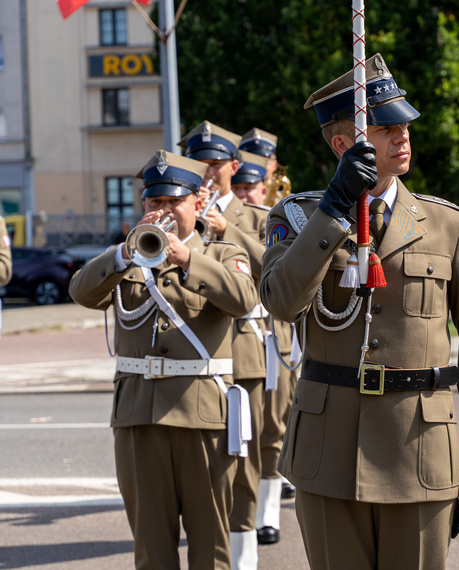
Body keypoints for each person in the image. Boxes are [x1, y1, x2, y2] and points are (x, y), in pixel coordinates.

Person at [259, 53, 459, 570]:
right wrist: (334, 207)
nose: (402, 136)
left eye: (404, 125)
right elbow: (281, 301)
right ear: (342, 143)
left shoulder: (447, 225)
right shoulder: (299, 216)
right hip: (328, 454)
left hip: (418, 449)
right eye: (385, 127)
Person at [68, 150, 258, 569]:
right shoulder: (127, 258)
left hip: (202, 415)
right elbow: (82, 292)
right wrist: (122, 254)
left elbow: (244, 298)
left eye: (173, 201)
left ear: (196, 202)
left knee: (210, 548)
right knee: (151, 550)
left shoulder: (221, 254)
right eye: (154, 203)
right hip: (139, 416)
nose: (164, 211)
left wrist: (186, 258)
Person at [180, 121, 272, 569]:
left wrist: (227, 231)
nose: (207, 172)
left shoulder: (256, 218)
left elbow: (276, 271)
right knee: (206, 467)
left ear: (234, 167)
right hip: (196, 355)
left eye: (215, 164)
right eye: (199, 164)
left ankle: (244, 551)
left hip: (245, 353)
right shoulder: (178, 213)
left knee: (246, 454)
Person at [232, 146, 301, 544]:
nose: (244, 193)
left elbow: (280, 267)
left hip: (268, 333)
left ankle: (266, 513)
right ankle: (237, 514)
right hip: (222, 340)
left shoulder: (267, 218)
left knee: (271, 429)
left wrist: (230, 232)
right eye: (238, 186)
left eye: (250, 186)